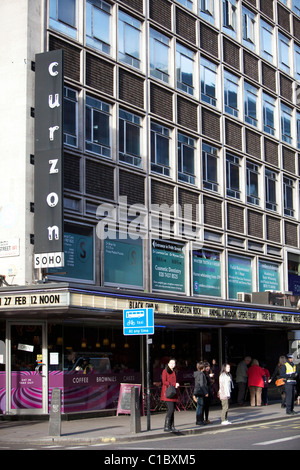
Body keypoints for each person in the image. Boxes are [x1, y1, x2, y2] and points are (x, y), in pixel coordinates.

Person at [161, 358, 180, 432]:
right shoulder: (165, 371)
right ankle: (166, 426)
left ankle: (172, 426)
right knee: (171, 409)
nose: (172, 365)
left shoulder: (175, 371)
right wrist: (174, 384)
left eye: (174, 363)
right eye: (171, 363)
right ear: (168, 364)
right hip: (168, 393)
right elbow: (164, 382)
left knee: (173, 410)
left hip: (174, 393)